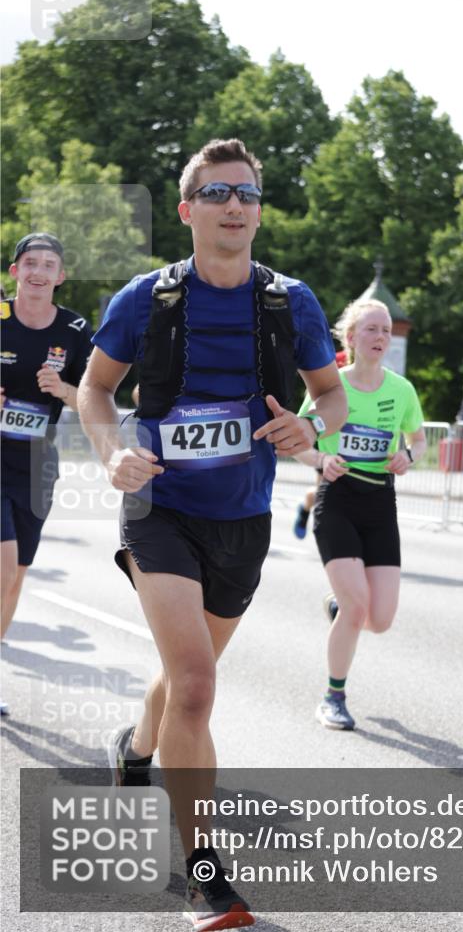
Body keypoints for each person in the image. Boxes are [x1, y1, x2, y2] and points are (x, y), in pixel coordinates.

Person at [78, 138, 347, 930]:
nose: (237, 205)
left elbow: (328, 396)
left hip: (242, 519)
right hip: (160, 510)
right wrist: (113, 452)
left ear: (259, 211)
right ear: (190, 208)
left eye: (249, 194)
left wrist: (311, 429)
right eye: (219, 192)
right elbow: (96, 390)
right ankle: (204, 875)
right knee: (197, 684)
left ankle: (134, 743)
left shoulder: (288, 301)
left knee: (180, 677)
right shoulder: (146, 298)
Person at [296, 298, 427, 731]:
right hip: (337, 501)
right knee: (357, 607)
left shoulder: (401, 390)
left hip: (380, 504)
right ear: (351, 338)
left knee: (381, 619)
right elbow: (296, 441)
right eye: (371, 329)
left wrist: (408, 455)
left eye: (386, 330)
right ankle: (333, 697)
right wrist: (320, 461)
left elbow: (420, 440)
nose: (380, 337)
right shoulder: (331, 387)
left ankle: (339, 606)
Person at [1, 233, 92, 715]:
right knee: (3, 560)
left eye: (48, 264)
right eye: (29, 262)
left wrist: (62, 389)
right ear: (14, 272)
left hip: (36, 460)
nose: (38, 271)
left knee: (15, 574)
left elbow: (93, 396)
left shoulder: (76, 330)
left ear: (61, 276)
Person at [292, 348, 348, 539]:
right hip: (328, 436)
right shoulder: (337, 360)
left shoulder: (373, 368)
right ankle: (306, 507)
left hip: (350, 444)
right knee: (324, 491)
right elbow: (322, 390)